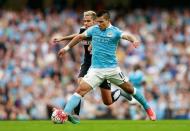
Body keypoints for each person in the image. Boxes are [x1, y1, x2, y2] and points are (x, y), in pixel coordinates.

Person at [58, 10, 156, 123]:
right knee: (80, 90)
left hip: (112, 69)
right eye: (98, 22)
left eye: (101, 22)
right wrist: (66, 48)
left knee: (130, 89)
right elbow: (79, 37)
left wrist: (134, 40)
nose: (99, 24)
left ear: (108, 20)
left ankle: (148, 109)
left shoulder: (115, 31)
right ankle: (64, 114)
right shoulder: (93, 29)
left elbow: (126, 35)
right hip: (96, 70)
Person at [51, 11, 132, 116]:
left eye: (88, 21)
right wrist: (63, 38)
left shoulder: (101, 31)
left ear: (95, 21)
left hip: (100, 65)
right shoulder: (84, 30)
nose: (85, 23)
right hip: (87, 63)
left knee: (107, 102)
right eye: (84, 21)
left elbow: (104, 40)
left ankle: (118, 92)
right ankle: (74, 114)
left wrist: (93, 45)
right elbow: (78, 36)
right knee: (80, 84)